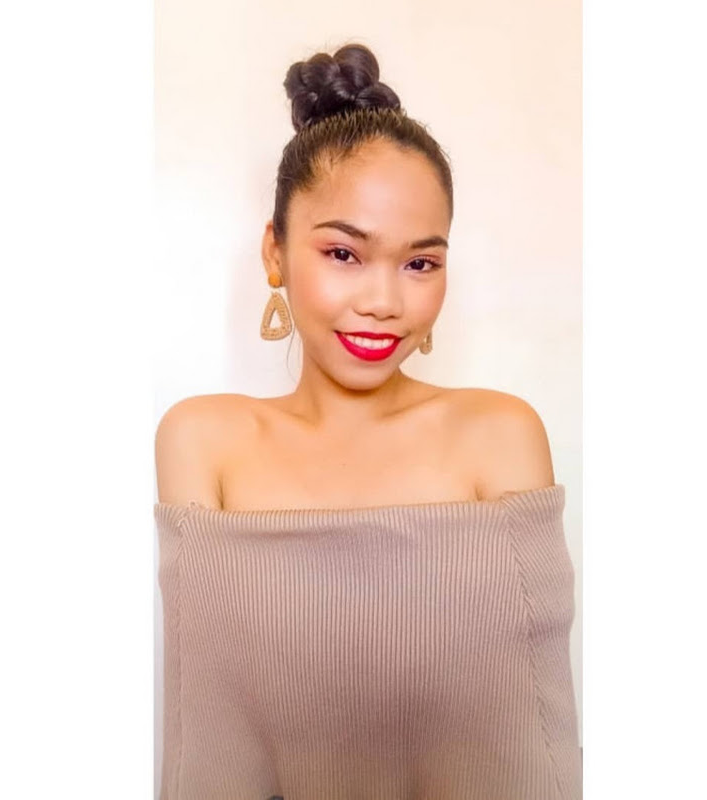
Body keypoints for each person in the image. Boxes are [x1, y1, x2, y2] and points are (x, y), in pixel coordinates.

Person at [154, 42, 581, 800]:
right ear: (275, 252)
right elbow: (207, 747)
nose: (384, 302)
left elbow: (530, 744)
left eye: (420, 263)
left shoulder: (499, 435)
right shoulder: (202, 441)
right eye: (344, 253)